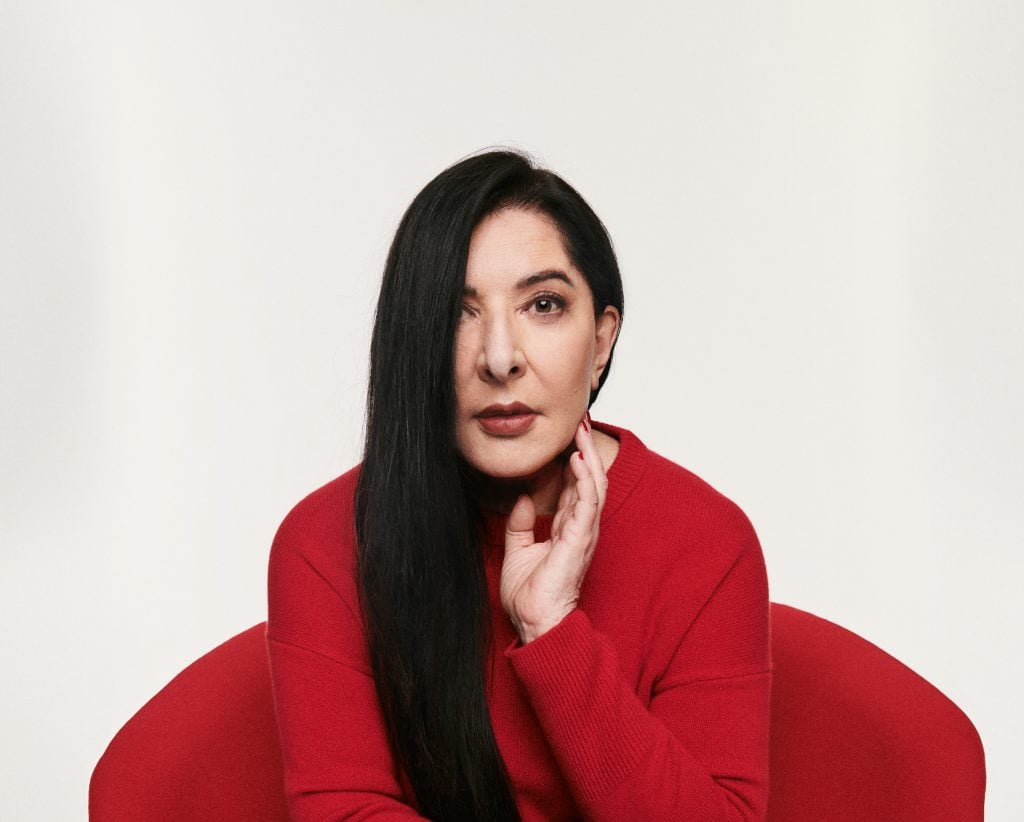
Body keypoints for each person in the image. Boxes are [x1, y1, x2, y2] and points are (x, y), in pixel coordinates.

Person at [266, 149, 771, 821]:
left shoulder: (705, 542)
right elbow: (345, 810)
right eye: (456, 312)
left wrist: (552, 627)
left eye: (543, 304)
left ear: (600, 341)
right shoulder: (328, 542)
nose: (500, 358)